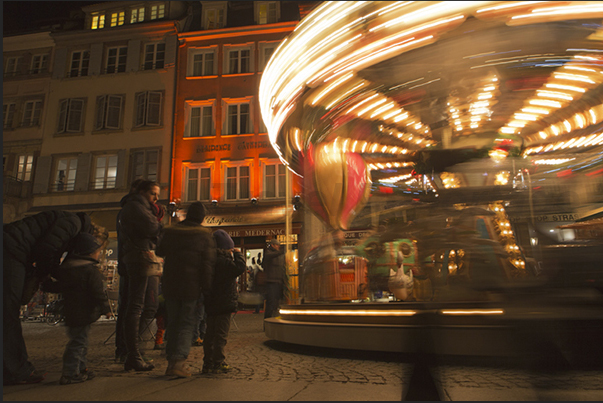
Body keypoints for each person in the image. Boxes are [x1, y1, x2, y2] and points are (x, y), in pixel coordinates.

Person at [3, 210, 94, 385]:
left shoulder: (68, 220)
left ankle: (12, 368)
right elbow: (47, 249)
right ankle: (17, 369)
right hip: (12, 250)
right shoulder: (73, 223)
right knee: (8, 312)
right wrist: (46, 274)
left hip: (12, 247)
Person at [41, 233, 112, 385]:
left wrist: (46, 283)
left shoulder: (68, 269)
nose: (99, 254)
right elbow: (97, 292)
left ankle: (81, 368)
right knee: (79, 343)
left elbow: (58, 287)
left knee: (80, 341)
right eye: (98, 251)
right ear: (90, 253)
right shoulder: (91, 271)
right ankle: (70, 372)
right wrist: (106, 308)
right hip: (84, 312)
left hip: (71, 312)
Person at [156, 202, 216, 377]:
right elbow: (207, 265)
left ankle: (170, 362)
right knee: (187, 323)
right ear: (202, 217)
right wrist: (207, 288)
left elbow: (160, 251)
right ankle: (179, 362)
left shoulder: (172, 230)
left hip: (171, 283)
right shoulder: (204, 235)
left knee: (173, 322)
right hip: (191, 285)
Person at [119, 180, 163, 371]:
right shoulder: (135, 207)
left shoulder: (139, 207)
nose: (156, 198)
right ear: (143, 192)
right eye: (153, 193)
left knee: (146, 306)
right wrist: (157, 224)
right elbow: (153, 228)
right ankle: (133, 353)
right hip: (140, 258)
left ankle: (135, 351)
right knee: (137, 306)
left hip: (142, 257)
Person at [202, 230, 246, 374]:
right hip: (224, 303)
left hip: (211, 303)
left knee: (209, 334)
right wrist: (238, 254)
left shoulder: (209, 261)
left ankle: (207, 362)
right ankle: (218, 362)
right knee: (221, 335)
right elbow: (240, 267)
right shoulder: (224, 262)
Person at [263, 238, 286, 319]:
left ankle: (273, 319)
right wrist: (281, 252)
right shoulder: (268, 252)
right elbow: (269, 256)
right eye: (277, 245)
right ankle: (267, 321)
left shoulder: (278, 255)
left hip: (278, 281)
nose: (278, 246)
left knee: (276, 303)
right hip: (271, 282)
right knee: (271, 303)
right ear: (272, 245)